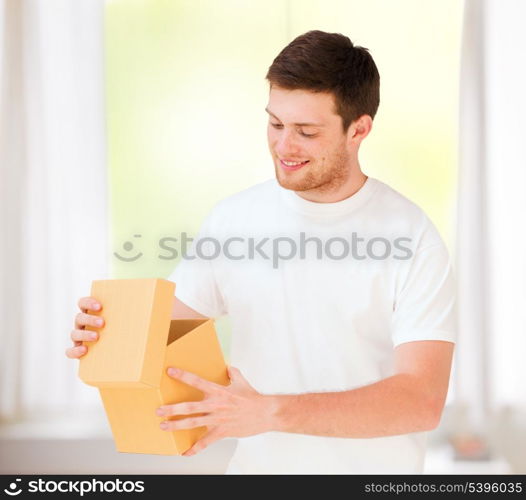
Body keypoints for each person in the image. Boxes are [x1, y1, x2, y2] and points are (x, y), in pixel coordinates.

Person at [66, 30, 456, 474]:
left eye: (306, 132)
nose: (284, 146)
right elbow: (162, 336)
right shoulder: (234, 220)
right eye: (275, 124)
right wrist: (106, 332)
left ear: (359, 129)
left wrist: (269, 411)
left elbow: (420, 401)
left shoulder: (412, 237)